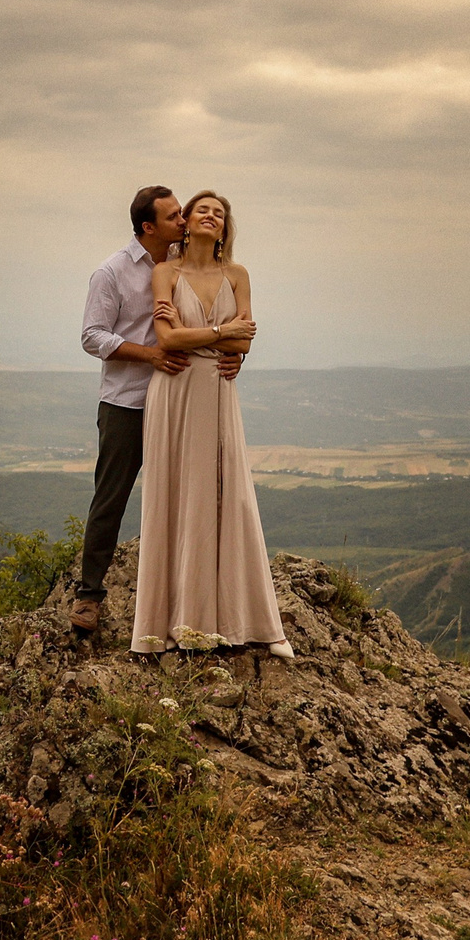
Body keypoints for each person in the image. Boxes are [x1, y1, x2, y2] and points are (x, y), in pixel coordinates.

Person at [73, 185, 243, 640]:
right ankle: (88, 596)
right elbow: (92, 336)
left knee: (189, 497)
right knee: (111, 497)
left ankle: (188, 597)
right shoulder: (112, 272)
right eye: (174, 217)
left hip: (184, 398)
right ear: (148, 227)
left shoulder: (180, 266)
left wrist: (235, 355)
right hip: (127, 401)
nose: (184, 222)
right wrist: (150, 355)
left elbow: (222, 321)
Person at [128, 191, 292, 658]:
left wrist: (215, 341)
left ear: (224, 227)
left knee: (229, 494)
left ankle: (251, 620)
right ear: (187, 222)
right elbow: (169, 338)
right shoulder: (166, 272)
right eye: (201, 209)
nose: (210, 216)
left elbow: (244, 348)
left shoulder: (237, 274)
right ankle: (169, 626)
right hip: (175, 390)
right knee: (178, 495)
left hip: (219, 390)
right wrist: (223, 334)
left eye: (219, 213)